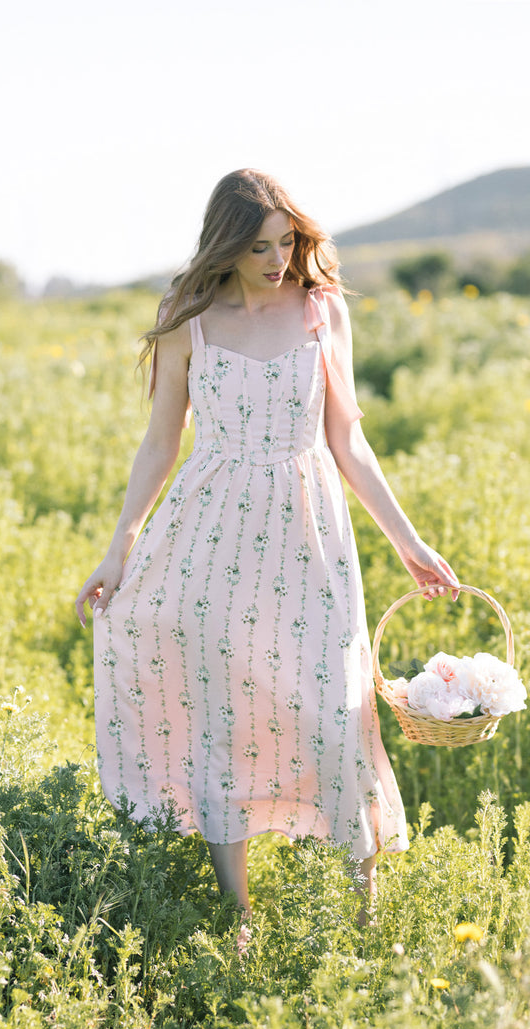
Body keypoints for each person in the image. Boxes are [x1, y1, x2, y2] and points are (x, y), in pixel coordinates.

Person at [75, 169, 458, 918]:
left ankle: (365, 908)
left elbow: (347, 439)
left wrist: (408, 541)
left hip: (309, 532)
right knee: (223, 712)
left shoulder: (321, 310)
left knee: (334, 706)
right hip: (209, 534)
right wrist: (120, 546)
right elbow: (159, 445)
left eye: (286, 241)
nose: (278, 258)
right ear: (226, 244)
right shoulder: (187, 317)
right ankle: (238, 919)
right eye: (259, 246)